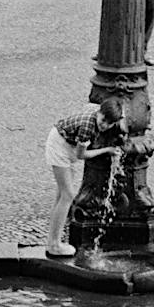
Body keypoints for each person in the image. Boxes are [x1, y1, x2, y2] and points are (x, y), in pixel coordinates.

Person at [42, 97, 122, 260]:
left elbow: (89, 105)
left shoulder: (96, 111)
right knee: (68, 195)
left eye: (109, 123)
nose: (104, 125)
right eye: (103, 120)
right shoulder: (88, 126)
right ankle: (54, 245)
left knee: (61, 196)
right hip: (60, 147)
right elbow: (81, 155)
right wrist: (106, 150)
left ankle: (53, 239)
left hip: (63, 142)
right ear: (99, 112)